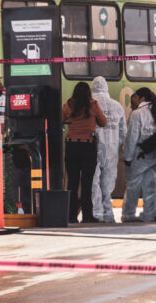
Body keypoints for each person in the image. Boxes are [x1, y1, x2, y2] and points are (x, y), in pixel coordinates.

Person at [122, 88, 156, 222]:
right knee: (151, 187)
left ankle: (129, 215)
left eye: (135, 97)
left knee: (133, 186)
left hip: (139, 155)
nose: (132, 100)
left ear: (142, 98)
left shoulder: (137, 114)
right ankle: (149, 215)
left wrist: (127, 157)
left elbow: (131, 138)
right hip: (154, 155)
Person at [62, 82, 107, 223]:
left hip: (72, 147)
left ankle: (71, 216)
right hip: (88, 148)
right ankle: (87, 216)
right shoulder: (93, 105)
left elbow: (59, 120)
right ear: (88, 92)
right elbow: (104, 122)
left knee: (72, 183)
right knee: (87, 184)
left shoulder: (68, 105)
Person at [91, 76, 127, 223]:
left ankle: (96, 213)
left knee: (94, 181)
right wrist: (116, 144)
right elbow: (123, 132)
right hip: (112, 149)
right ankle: (108, 214)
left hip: (94, 147)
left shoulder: (91, 104)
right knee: (108, 182)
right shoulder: (117, 106)